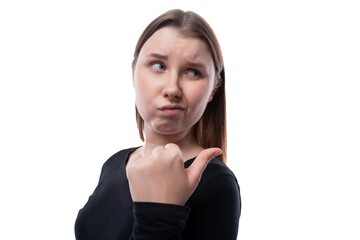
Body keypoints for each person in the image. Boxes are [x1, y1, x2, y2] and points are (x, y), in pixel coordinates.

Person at [74, 9, 241, 239]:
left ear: (214, 87)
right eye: (159, 66)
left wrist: (159, 217)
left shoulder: (216, 184)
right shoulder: (113, 164)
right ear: (133, 71)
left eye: (193, 72)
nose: (172, 89)